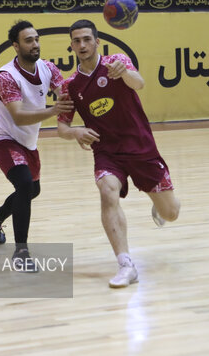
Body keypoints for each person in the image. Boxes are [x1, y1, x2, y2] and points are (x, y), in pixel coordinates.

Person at [56, 19, 180, 288]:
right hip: (107, 152)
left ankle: (159, 206)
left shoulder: (116, 62)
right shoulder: (71, 85)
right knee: (107, 191)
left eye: (87, 39)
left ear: (97, 41)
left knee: (171, 213)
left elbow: (139, 83)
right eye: (76, 41)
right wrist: (76, 132)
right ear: (71, 46)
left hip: (140, 147)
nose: (82, 45)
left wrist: (124, 72)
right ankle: (126, 264)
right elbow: (62, 127)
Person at [0, 20, 73, 272]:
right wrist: (54, 111)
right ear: (15, 46)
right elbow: (18, 116)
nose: (35, 44)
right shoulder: (6, 76)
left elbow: (66, 94)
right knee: (24, 185)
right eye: (28, 40)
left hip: (28, 142)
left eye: (37, 39)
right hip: (4, 139)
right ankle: (21, 253)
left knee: (32, 191)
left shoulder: (48, 68)